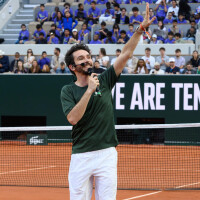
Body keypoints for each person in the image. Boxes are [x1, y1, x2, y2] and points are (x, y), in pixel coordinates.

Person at [60, 4, 156, 199]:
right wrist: (89, 91)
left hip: (107, 155)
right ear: (72, 66)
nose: (87, 60)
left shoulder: (104, 79)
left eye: (88, 56)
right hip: (81, 156)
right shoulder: (68, 90)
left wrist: (140, 29)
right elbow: (73, 118)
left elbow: (126, 54)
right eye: (81, 59)